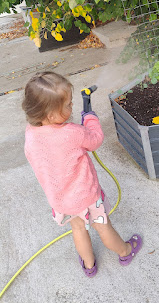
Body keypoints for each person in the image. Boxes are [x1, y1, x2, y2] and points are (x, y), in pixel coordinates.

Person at [22, 71, 142, 277]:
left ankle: (89, 265)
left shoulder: (31, 134)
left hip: (61, 202)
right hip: (87, 197)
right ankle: (125, 251)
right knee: (102, 227)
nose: (72, 107)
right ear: (51, 115)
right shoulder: (72, 133)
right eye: (68, 105)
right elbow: (94, 139)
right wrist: (90, 118)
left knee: (78, 230)